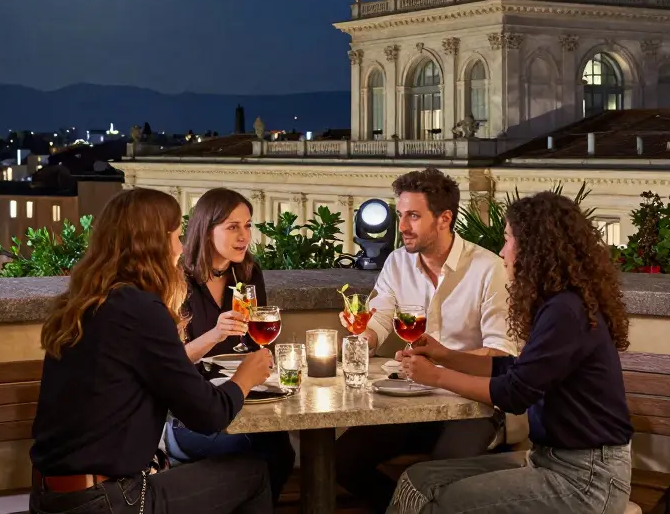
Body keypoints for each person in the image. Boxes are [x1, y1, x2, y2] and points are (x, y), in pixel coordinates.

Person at [29, 187, 275, 514]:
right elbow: (208, 415)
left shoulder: (87, 302)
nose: (181, 247)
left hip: (52, 494)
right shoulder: (138, 308)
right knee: (253, 472)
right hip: (105, 500)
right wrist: (244, 378)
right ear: (152, 243)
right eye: (175, 236)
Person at [388, 191, 634, 514]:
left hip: (586, 479)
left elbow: (515, 393)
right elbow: (513, 370)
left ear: (534, 248)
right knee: (417, 481)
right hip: (548, 460)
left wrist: (435, 376)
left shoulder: (567, 312)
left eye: (507, 240)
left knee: (440, 502)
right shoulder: (557, 305)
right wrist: (445, 355)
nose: (503, 251)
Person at [334, 167, 519, 513]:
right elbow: (379, 322)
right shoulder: (397, 263)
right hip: (412, 399)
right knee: (340, 460)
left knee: (438, 476)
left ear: (444, 218)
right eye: (401, 215)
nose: (402, 226)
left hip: (472, 405)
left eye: (414, 216)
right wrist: (362, 334)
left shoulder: (487, 268)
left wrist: (440, 361)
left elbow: (501, 352)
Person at [166, 188, 296, 504]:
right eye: (232, 226)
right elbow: (167, 363)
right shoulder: (176, 278)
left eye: (248, 225)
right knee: (257, 454)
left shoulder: (248, 273)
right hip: (187, 414)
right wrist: (215, 334)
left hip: (241, 401)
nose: (244, 235)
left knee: (281, 451)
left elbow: (257, 344)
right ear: (207, 229)